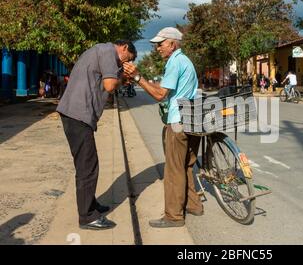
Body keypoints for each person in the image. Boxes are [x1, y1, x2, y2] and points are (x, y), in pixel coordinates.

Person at [123, 27, 203, 228]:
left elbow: (160, 95)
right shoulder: (186, 61)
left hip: (177, 121)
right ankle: (194, 205)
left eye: (160, 44)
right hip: (192, 119)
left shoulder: (175, 62)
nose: (157, 48)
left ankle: (173, 216)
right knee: (186, 165)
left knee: (173, 170)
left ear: (172, 44)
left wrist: (138, 77)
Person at [56, 40, 137, 230]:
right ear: (124, 47)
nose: (124, 62)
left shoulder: (100, 49)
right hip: (78, 114)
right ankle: (87, 216)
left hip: (74, 113)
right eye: (128, 58)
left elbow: (105, 80)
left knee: (86, 163)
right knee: (88, 167)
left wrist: (121, 76)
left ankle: (90, 204)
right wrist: (123, 76)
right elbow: (110, 85)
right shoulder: (110, 52)